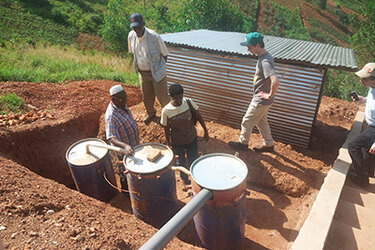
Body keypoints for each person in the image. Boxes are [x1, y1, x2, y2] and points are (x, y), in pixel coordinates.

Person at [228, 32, 279, 152]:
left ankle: (243, 144)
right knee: (261, 121)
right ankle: (269, 145)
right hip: (264, 101)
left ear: (257, 45)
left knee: (246, 122)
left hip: (260, 100)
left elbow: (275, 81)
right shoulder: (264, 57)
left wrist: (269, 94)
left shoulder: (265, 61)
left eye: (250, 47)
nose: (248, 49)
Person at [160, 84, 209, 189]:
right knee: (181, 162)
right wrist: (169, 144)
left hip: (191, 138)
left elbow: (198, 115)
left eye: (180, 97)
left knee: (194, 159)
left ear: (183, 95)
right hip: (178, 142)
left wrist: (205, 130)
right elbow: (166, 129)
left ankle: (197, 179)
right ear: (171, 97)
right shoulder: (166, 111)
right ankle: (184, 179)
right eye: (175, 98)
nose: (178, 100)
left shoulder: (188, 102)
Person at [128, 12, 170, 124]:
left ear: (143, 24)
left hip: (157, 73)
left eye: (138, 27)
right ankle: (150, 113)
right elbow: (133, 53)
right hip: (142, 73)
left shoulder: (154, 37)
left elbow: (165, 54)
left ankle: (168, 118)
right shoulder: (131, 36)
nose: (137, 30)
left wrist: (158, 69)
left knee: (163, 98)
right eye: (134, 28)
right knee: (147, 97)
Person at [348, 63, 375, 187]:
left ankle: (361, 177)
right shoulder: (372, 88)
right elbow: (371, 101)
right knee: (365, 150)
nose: (361, 80)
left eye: (365, 78)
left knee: (353, 146)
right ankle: (367, 174)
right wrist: (362, 99)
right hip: (370, 126)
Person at [105, 84, 139, 156]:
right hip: (125, 151)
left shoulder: (120, 104)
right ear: (113, 99)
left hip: (133, 144)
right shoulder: (111, 116)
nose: (124, 101)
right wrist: (125, 146)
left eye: (125, 97)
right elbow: (111, 137)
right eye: (121, 99)